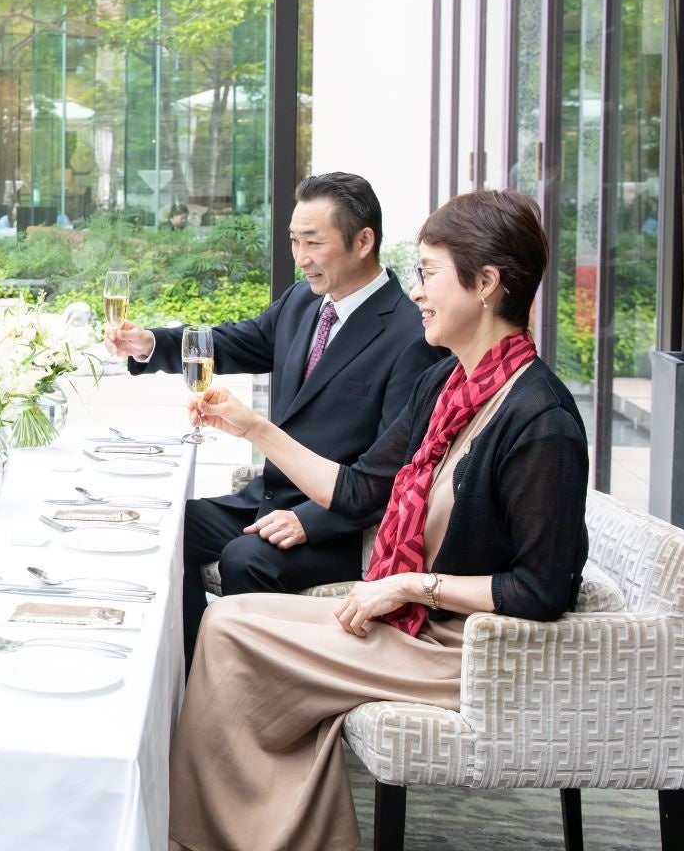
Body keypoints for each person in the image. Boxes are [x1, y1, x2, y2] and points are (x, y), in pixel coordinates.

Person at [168, 189, 590, 851]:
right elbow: (364, 488)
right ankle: (246, 833)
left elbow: (542, 590)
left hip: (456, 648)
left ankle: (230, 836)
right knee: (223, 621)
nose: (416, 291)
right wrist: (251, 427)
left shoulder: (540, 420)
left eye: (428, 272)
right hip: (413, 621)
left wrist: (408, 587)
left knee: (233, 640)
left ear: (486, 284)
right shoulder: (450, 385)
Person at [104, 172, 444, 666]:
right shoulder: (304, 300)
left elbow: (396, 474)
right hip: (267, 500)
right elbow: (236, 342)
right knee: (168, 527)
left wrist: (311, 520)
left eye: (313, 242)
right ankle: (193, 673)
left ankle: (247, 694)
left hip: (345, 526)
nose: (300, 256)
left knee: (246, 560)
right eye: (293, 240)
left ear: (364, 240)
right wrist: (150, 344)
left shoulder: (413, 335)